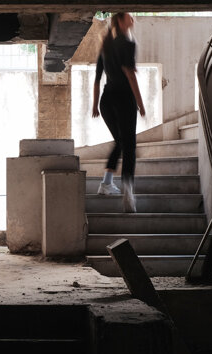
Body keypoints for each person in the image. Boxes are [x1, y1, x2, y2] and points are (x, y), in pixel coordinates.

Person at [92, 12, 146, 213]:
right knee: (129, 145)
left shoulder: (105, 47)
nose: (133, 19)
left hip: (107, 101)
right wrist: (140, 103)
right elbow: (130, 75)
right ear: (122, 21)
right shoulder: (128, 44)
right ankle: (128, 194)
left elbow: (97, 79)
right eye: (130, 17)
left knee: (121, 142)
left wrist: (95, 105)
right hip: (124, 98)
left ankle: (106, 183)